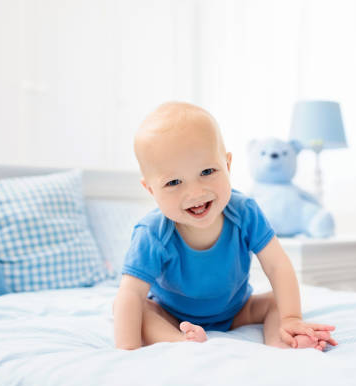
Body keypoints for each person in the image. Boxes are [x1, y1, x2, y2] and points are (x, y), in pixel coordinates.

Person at [113, 102, 338, 351]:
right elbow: (131, 293)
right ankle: (181, 341)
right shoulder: (152, 233)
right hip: (173, 316)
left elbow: (277, 265)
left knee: (278, 302)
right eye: (174, 182)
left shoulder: (245, 212)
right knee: (134, 308)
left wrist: (292, 317)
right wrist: (127, 351)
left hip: (237, 310)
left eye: (207, 171)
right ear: (151, 190)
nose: (196, 192)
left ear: (227, 165)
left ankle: (284, 340)